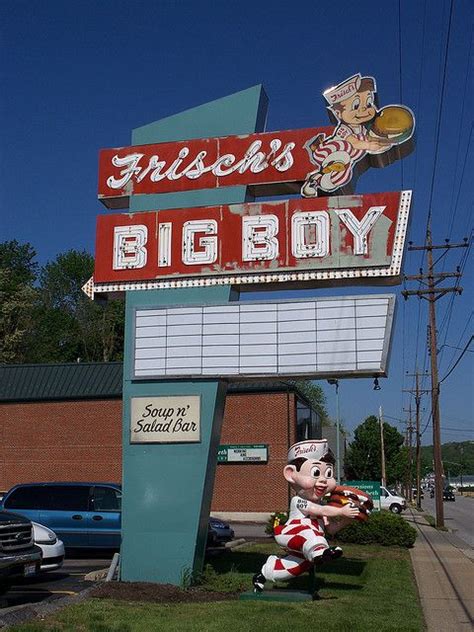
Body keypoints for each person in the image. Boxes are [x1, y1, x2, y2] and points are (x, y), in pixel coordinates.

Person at [253, 439, 359, 592]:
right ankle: (321, 553)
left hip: (309, 544)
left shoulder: (322, 505)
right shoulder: (298, 501)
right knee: (309, 532)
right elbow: (320, 511)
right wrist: (341, 511)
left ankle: (263, 574)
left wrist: (347, 519)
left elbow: (331, 529)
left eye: (328, 473)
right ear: (290, 474)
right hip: (291, 533)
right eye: (316, 472)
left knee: (296, 567)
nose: (323, 479)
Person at [301, 73, 392, 197]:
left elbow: (371, 139)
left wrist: (384, 142)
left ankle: (317, 181)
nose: (364, 109)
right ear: (338, 114)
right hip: (328, 152)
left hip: (344, 162)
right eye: (355, 105)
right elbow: (354, 143)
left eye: (369, 103)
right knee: (342, 157)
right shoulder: (343, 130)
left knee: (341, 176)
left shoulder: (363, 130)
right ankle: (318, 179)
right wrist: (369, 145)